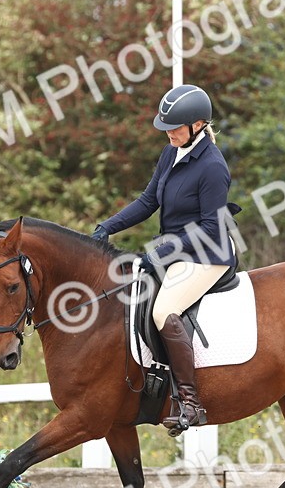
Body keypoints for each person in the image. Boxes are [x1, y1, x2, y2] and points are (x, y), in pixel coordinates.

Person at [91, 83, 239, 435]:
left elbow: (209, 227)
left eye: (175, 127)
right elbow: (147, 201)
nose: (169, 133)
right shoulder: (170, 152)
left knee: (162, 311)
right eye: (167, 128)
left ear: (199, 125)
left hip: (209, 254)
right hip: (176, 250)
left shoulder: (212, 167)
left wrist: (160, 251)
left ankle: (190, 401)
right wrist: (106, 227)